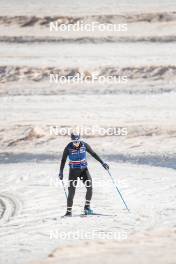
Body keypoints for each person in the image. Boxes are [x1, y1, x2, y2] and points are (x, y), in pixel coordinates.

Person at [59, 132, 109, 216]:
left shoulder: (84, 145)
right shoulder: (68, 147)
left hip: (84, 171)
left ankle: (87, 208)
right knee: (71, 191)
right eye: (74, 142)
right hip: (73, 172)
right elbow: (63, 160)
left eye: (77, 141)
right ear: (72, 141)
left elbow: (93, 154)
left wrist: (102, 163)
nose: (76, 143)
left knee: (90, 187)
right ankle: (68, 211)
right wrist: (61, 171)